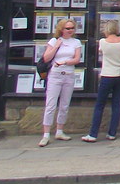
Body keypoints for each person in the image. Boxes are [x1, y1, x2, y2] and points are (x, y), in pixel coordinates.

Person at [82, 19, 120, 143]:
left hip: (107, 75)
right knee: (116, 105)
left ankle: (93, 134)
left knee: (100, 105)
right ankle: (112, 133)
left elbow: (100, 53)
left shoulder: (103, 42)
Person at [40, 18, 82, 147]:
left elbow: (77, 59)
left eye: (72, 28)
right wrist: (56, 46)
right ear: (61, 29)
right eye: (67, 28)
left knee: (64, 105)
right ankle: (46, 134)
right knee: (51, 105)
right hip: (55, 75)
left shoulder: (76, 42)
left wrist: (65, 62)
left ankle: (59, 130)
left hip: (68, 74)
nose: (70, 30)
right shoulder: (54, 41)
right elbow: (46, 58)